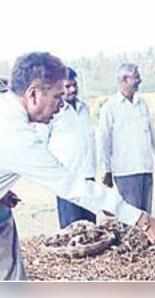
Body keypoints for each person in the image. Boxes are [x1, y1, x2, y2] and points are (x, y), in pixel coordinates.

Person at [0, 52, 155, 280]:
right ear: (33, 95)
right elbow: (72, 187)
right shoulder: (16, 134)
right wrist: (144, 221)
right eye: (57, 97)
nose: (61, 106)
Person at [98, 63, 155, 214]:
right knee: (131, 218)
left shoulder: (142, 104)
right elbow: (104, 141)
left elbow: (151, 132)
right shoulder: (110, 107)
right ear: (124, 80)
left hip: (145, 168)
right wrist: (106, 170)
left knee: (146, 216)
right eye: (136, 77)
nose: (140, 80)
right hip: (125, 171)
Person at [35, 67, 97, 228]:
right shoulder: (52, 111)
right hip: (67, 180)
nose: (73, 90)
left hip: (88, 177)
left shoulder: (84, 108)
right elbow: (40, 143)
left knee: (91, 231)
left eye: (75, 85)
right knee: (73, 232)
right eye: (68, 86)